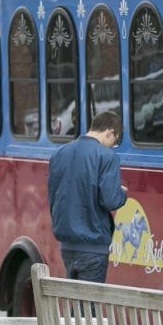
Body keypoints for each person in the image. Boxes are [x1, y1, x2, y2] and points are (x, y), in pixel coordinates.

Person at [47, 111, 128, 284]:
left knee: (76, 303)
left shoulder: (59, 154)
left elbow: (55, 194)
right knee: (89, 306)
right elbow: (110, 200)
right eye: (115, 141)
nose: (112, 145)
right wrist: (121, 193)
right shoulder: (107, 156)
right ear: (110, 132)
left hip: (67, 245)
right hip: (93, 245)